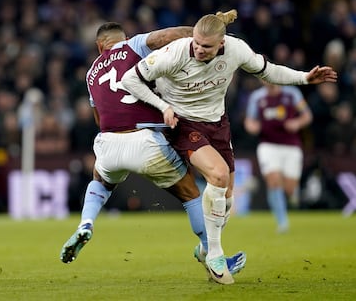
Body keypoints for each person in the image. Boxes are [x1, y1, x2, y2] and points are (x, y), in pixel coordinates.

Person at [121, 9, 337, 284]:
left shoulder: (236, 50)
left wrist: (305, 78)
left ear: (221, 43)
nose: (198, 49)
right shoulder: (174, 53)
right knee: (219, 175)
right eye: (196, 43)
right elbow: (131, 78)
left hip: (217, 124)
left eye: (206, 46)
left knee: (227, 197)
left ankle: (204, 249)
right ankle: (215, 255)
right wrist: (162, 106)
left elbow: (269, 72)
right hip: (183, 123)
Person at [59, 22, 246, 283]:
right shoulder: (133, 46)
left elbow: (99, 117)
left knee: (101, 180)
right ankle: (213, 255)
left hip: (108, 142)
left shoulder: (91, 73)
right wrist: (202, 33)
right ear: (122, 38)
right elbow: (167, 36)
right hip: (145, 141)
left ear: (99, 46)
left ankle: (85, 224)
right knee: (191, 193)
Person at [244, 82, 313, 233]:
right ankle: (282, 222)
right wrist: (252, 127)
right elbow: (249, 120)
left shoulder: (292, 94)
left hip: (291, 145)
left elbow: (307, 115)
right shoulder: (257, 97)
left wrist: (297, 122)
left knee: (288, 188)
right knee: (273, 181)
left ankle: (289, 197)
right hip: (268, 145)